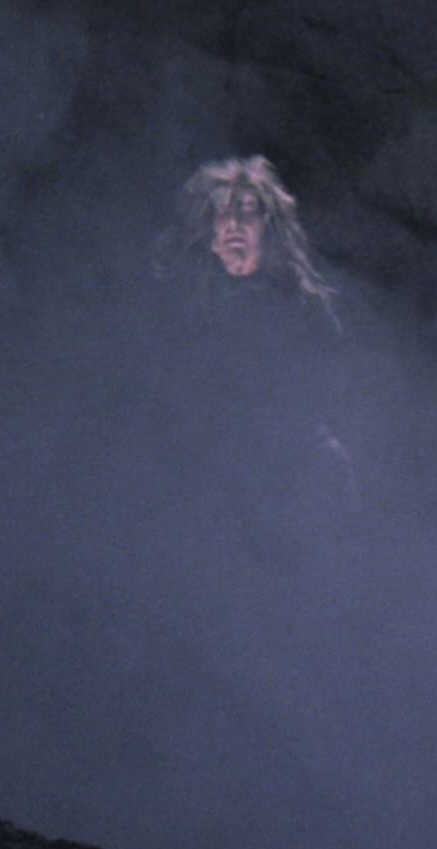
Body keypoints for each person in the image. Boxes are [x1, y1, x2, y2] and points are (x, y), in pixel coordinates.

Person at [152, 155, 359, 554]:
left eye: (247, 211)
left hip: (295, 480)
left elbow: (327, 389)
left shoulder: (305, 306)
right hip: (214, 487)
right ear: (209, 231)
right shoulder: (189, 307)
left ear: (269, 225)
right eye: (222, 213)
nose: (233, 223)